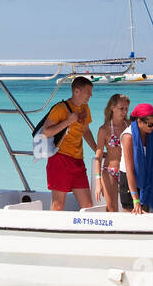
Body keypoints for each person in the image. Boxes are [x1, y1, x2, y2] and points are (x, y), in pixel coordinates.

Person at [41, 76, 98, 211]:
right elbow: (46, 132)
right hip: (59, 160)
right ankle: (53, 231)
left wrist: (98, 150)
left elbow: (86, 131)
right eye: (88, 92)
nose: (90, 95)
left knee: (88, 206)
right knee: (58, 205)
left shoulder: (85, 108)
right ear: (77, 91)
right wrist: (67, 122)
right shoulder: (60, 108)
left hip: (78, 161)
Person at [92, 93, 130, 211]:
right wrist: (98, 182)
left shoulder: (130, 126)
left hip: (128, 171)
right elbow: (98, 157)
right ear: (112, 108)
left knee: (129, 208)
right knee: (112, 208)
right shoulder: (104, 130)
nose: (124, 111)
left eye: (126, 108)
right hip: (110, 172)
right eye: (121, 108)